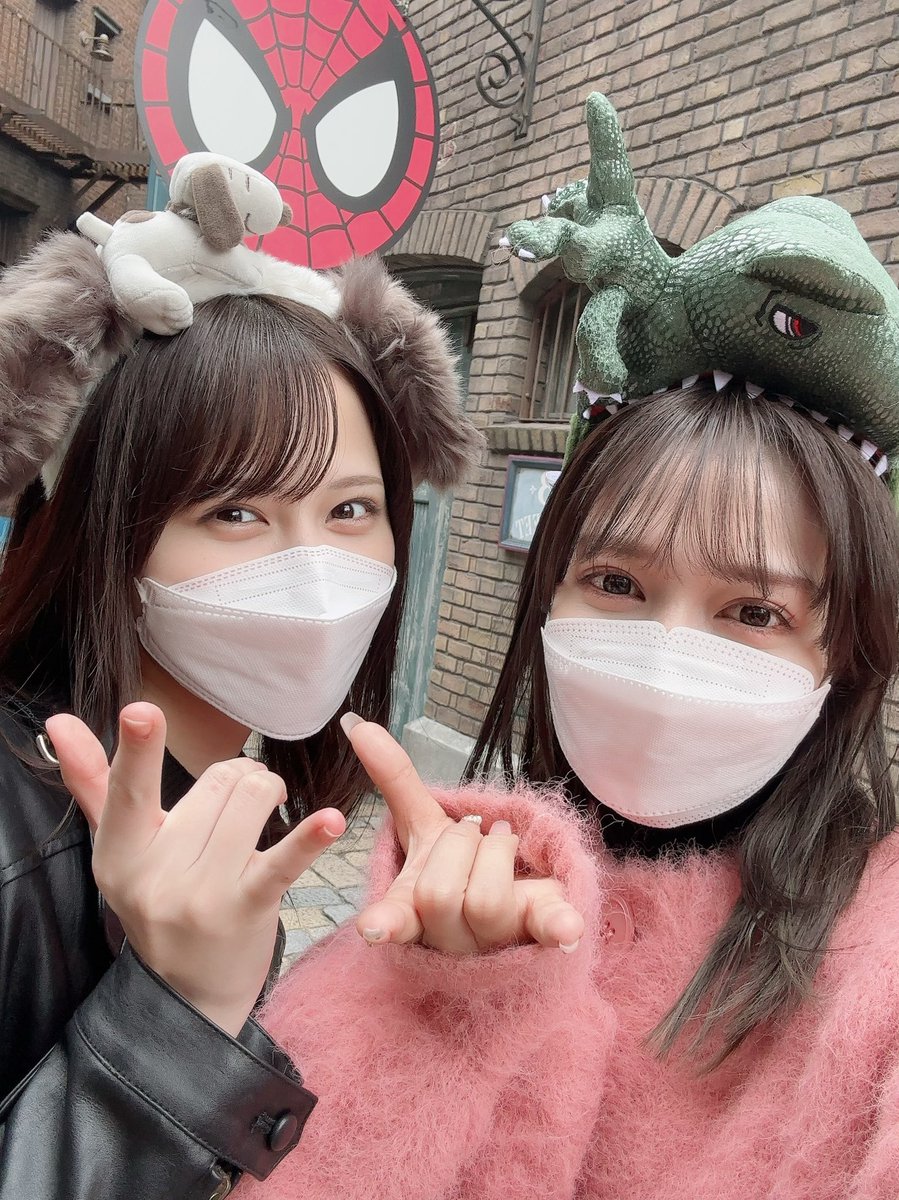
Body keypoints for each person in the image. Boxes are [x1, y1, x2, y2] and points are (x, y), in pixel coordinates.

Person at [224, 95, 899, 1199]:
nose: (665, 656)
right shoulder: (445, 895)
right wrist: (443, 1002)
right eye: (617, 584)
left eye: (754, 612)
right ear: (547, 597)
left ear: (847, 654)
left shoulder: (873, 961)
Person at [0, 152, 479, 1197]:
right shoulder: (14, 837)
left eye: (350, 509)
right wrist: (177, 1012)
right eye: (235, 511)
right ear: (103, 531)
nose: (313, 573)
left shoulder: (222, 792)